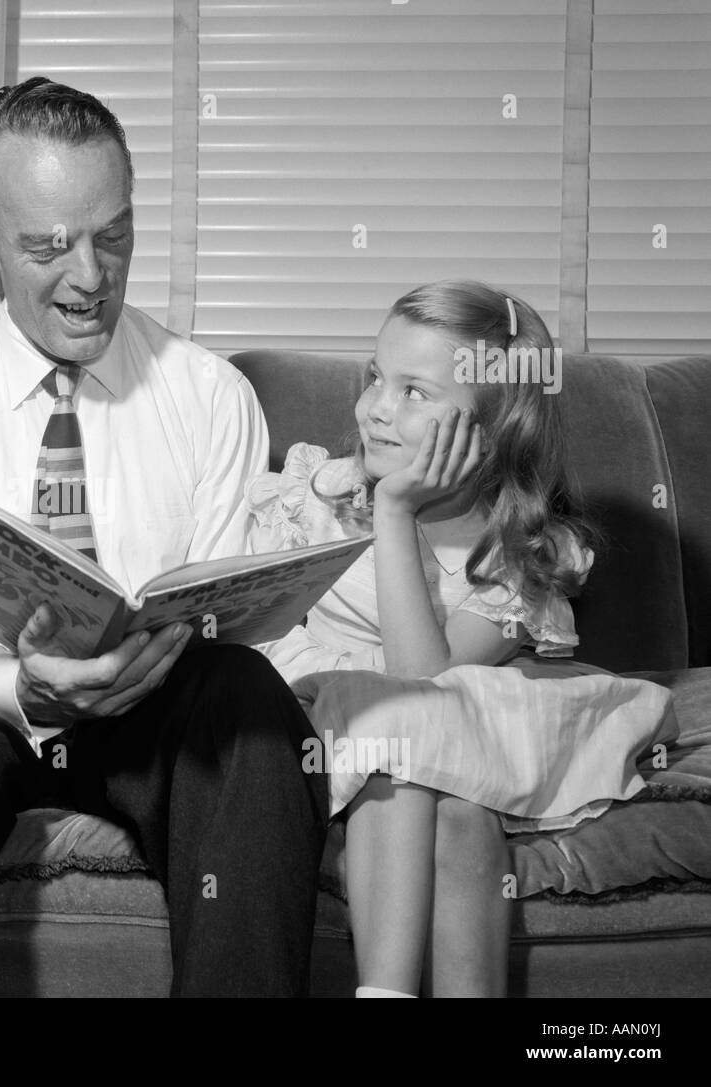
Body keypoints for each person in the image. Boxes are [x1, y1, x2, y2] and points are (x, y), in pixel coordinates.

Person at [0, 77, 327, 997]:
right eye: (48, 245)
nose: (89, 276)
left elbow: (225, 606)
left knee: (244, 694)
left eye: (112, 235)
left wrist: (179, 645)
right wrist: (21, 683)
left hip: (154, 719)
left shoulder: (208, 396)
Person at [247, 280, 675, 997]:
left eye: (416, 392)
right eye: (376, 378)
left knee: (457, 807)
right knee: (401, 760)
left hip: (447, 727)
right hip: (332, 728)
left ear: (494, 428)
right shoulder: (311, 499)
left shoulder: (520, 554)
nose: (377, 408)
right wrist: (380, 500)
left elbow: (427, 683)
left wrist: (394, 510)